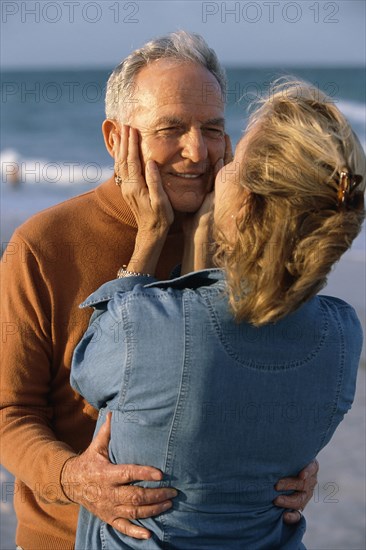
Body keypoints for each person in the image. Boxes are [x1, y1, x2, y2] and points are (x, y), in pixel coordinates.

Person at [0, 32, 317, 549]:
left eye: (212, 130)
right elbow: (10, 414)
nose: (197, 152)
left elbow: (261, 386)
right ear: (115, 138)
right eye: (171, 129)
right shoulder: (43, 244)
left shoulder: (251, 243)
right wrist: (76, 479)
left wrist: (295, 461)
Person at [70, 79, 365, 549]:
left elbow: (90, 373)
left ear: (247, 203)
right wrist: (203, 244)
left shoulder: (143, 324)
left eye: (233, 159)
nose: (213, 164)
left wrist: (149, 238)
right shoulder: (344, 334)